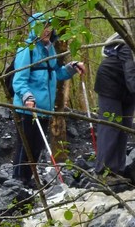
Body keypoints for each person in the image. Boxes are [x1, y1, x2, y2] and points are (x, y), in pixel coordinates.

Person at [10, 13, 85, 187]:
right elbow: (19, 80)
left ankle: (28, 181)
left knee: (37, 147)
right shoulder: (26, 49)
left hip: (44, 108)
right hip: (27, 108)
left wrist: (72, 67)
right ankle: (18, 183)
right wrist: (27, 97)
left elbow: (56, 72)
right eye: (43, 26)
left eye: (49, 26)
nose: (47, 30)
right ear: (34, 28)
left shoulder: (50, 48)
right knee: (26, 146)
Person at [93, 33, 135, 181]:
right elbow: (131, 76)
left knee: (125, 127)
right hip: (109, 84)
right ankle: (103, 172)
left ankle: (118, 169)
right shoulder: (127, 45)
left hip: (127, 91)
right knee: (111, 126)